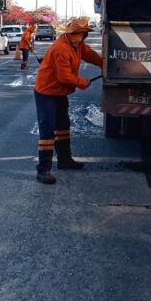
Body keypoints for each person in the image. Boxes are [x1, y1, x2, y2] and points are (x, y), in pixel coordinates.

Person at [33, 19, 103, 184]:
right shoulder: (61, 49)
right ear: (72, 34)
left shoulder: (77, 45)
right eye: (81, 34)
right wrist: (82, 82)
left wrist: (104, 64)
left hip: (59, 93)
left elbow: (89, 54)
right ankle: (43, 170)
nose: (83, 37)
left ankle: (65, 160)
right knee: (47, 129)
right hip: (46, 93)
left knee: (63, 126)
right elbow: (63, 76)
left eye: (84, 34)